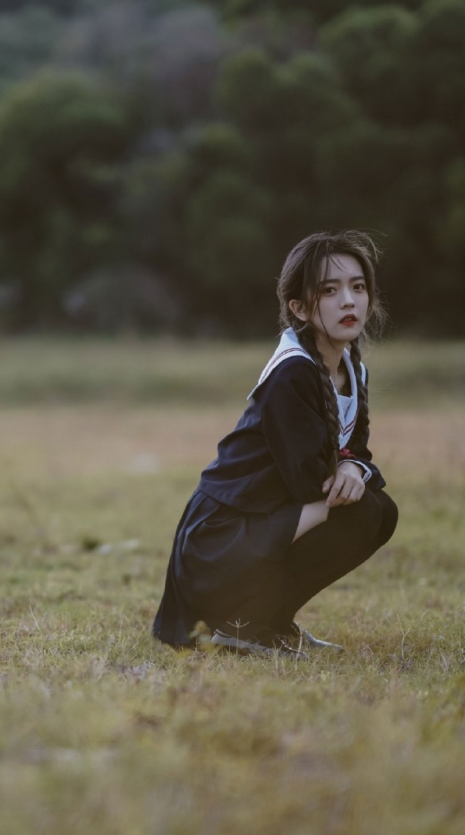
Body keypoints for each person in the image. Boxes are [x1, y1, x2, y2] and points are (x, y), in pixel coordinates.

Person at [153, 230, 398, 656]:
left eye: (358, 287)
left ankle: (268, 622)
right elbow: (309, 486)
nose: (349, 301)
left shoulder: (352, 369)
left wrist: (355, 468)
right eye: (330, 290)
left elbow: (356, 452)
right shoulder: (293, 372)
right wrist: (351, 472)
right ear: (299, 308)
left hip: (264, 524)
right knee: (365, 511)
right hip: (219, 540)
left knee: (380, 512)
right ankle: (238, 625)